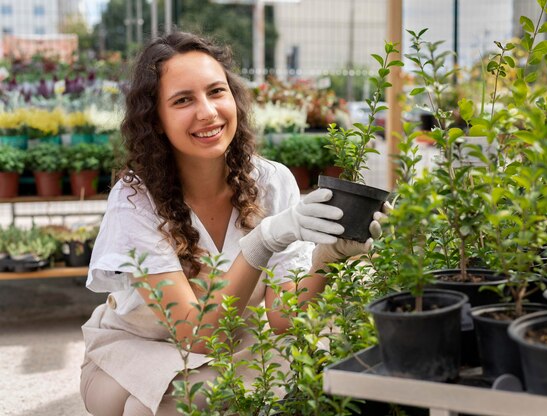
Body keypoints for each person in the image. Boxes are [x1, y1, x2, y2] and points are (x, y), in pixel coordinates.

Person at [80, 31, 385, 416]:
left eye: (216, 92)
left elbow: (282, 318)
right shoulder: (136, 200)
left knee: (162, 407)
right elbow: (200, 334)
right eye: (183, 100)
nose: (207, 112)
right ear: (155, 120)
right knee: (143, 405)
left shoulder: (271, 182)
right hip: (134, 345)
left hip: (235, 346)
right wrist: (263, 241)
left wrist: (329, 255)